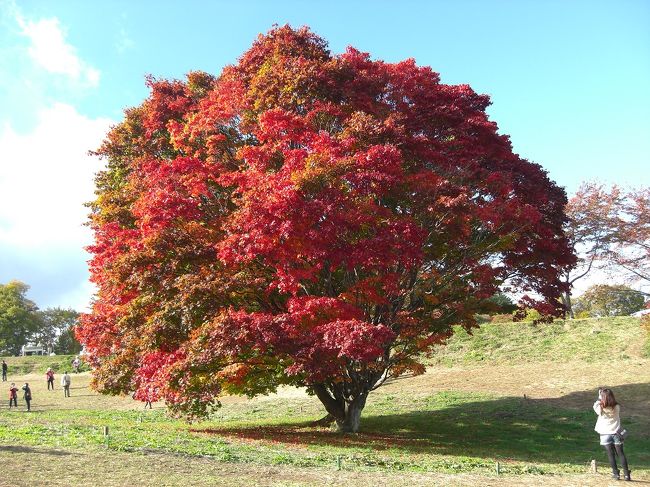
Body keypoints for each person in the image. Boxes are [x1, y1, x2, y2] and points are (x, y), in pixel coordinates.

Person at [594, 387, 631, 481]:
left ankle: (616, 474)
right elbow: (612, 404)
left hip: (605, 434)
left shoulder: (600, 408)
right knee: (621, 454)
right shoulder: (617, 407)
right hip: (616, 433)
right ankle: (627, 474)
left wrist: (599, 398)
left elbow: (596, 406)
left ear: (602, 397)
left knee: (611, 455)